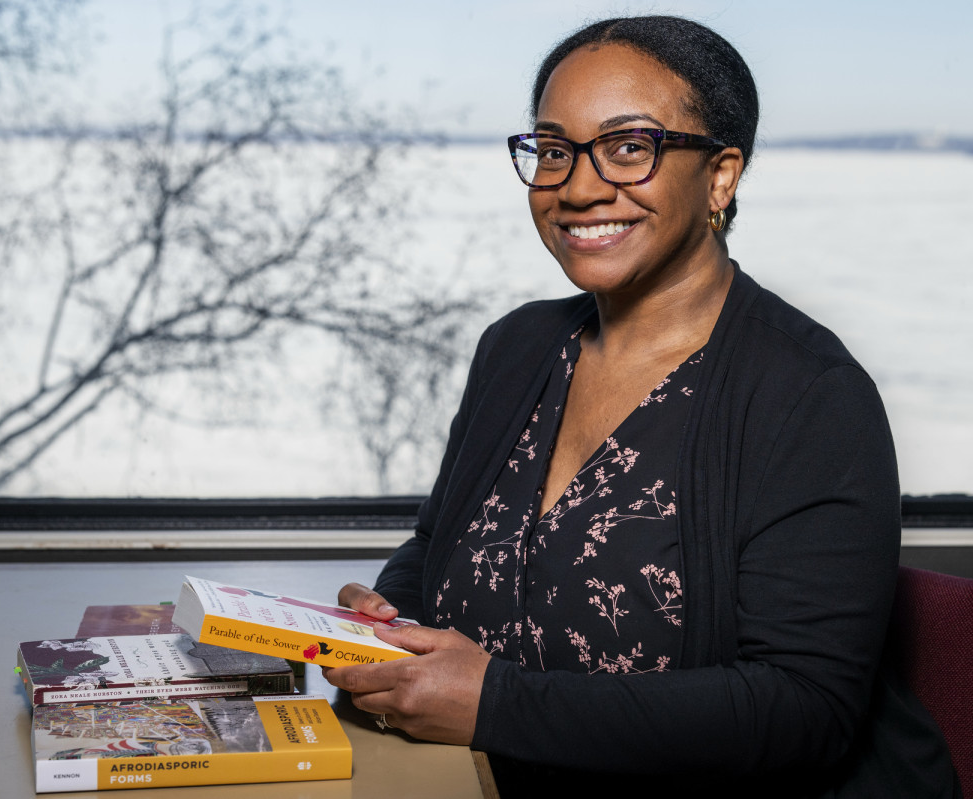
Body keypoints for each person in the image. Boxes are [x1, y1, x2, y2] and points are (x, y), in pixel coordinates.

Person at [323, 15, 960, 797]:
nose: (579, 186)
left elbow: (804, 707)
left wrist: (496, 703)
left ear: (721, 175)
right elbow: (437, 544)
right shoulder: (516, 348)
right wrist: (387, 619)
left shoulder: (812, 396)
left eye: (630, 147)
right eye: (554, 150)